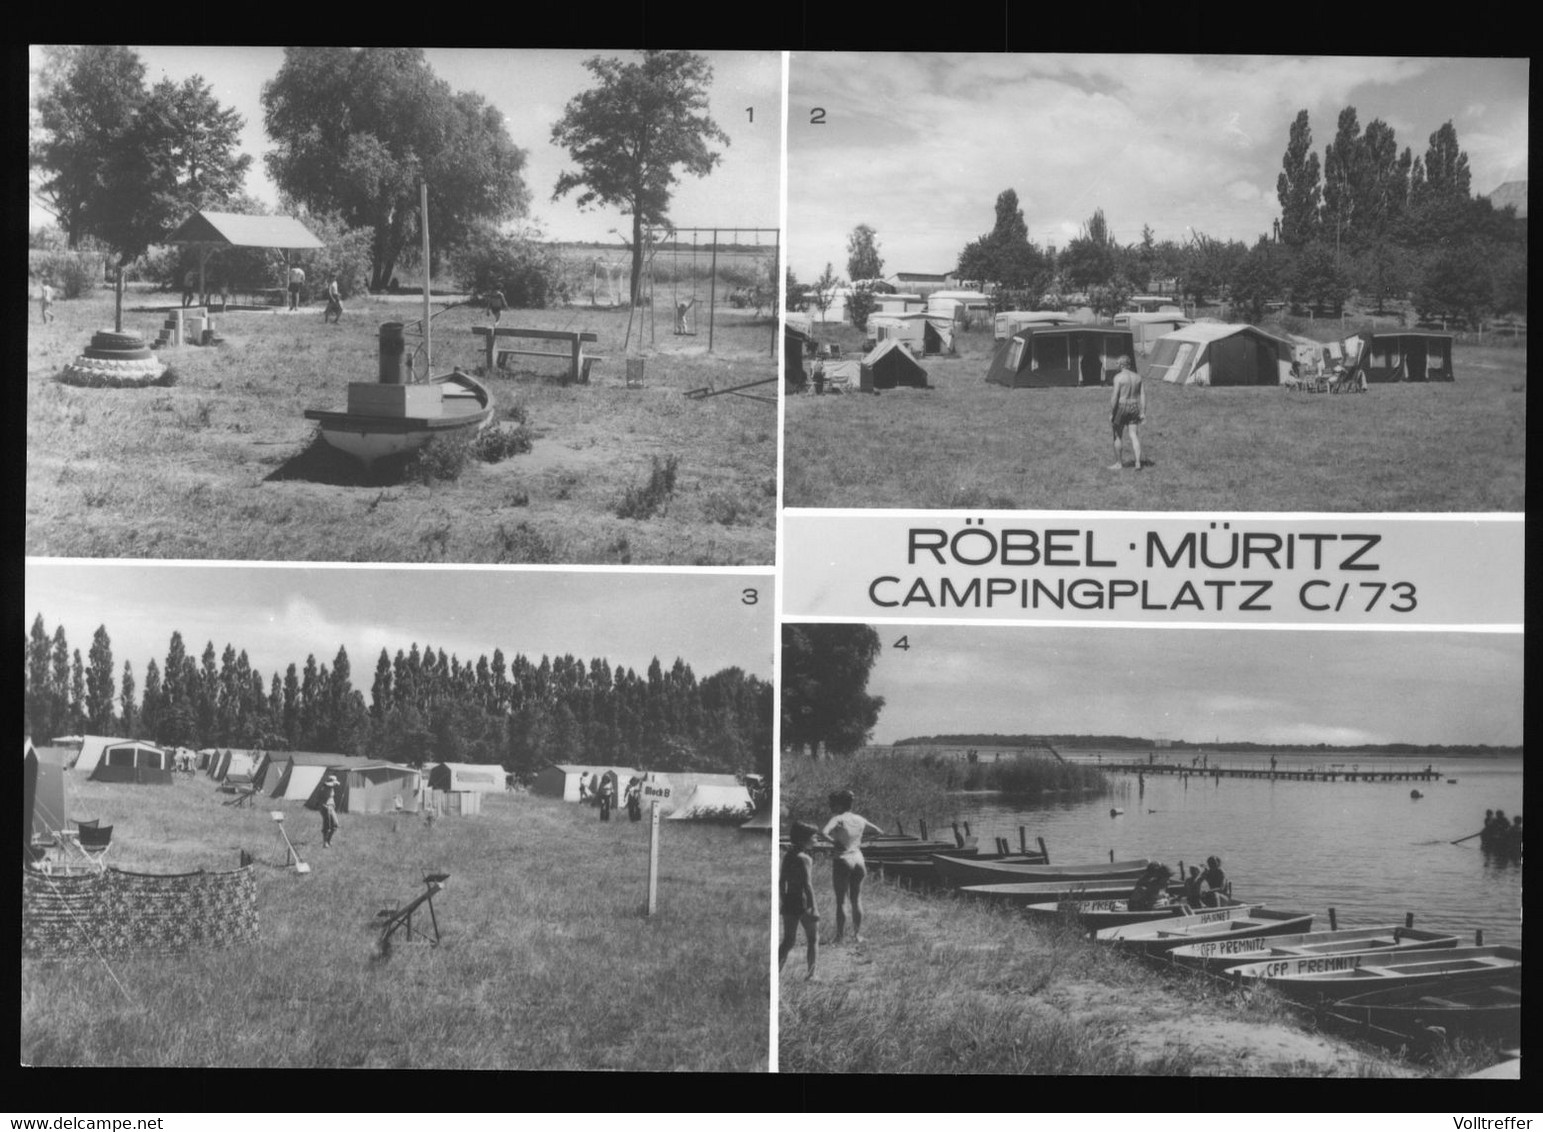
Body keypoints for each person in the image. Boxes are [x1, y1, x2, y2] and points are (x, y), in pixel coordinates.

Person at [821, 790, 884, 944]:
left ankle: (840, 937)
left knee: (841, 901)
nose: (830, 806)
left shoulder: (838, 818)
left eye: (832, 804)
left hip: (843, 859)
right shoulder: (859, 819)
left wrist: (833, 842)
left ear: (840, 804)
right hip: (858, 859)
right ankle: (857, 936)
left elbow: (823, 833)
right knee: (856, 900)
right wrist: (862, 841)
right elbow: (879, 832)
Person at [779, 821, 821, 980]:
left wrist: (784, 900)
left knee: (788, 941)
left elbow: (782, 881)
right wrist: (814, 907)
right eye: (814, 836)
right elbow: (807, 884)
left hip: (790, 899)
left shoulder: (788, 856)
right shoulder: (805, 858)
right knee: (813, 938)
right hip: (803, 901)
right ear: (805, 839)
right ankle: (812, 974)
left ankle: (774, 972)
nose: (816, 838)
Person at [1108, 355, 1145, 470]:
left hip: (1122, 406)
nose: (1117, 366)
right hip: (1134, 406)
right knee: (1133, 434)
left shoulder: (1118, 377)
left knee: (1117, 435)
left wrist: (1112, 413)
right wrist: (1143, 412)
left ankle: (1119, 464)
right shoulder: (1138, 377)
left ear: (1122, 365)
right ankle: (1138, 462)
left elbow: (1115, 397)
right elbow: (1143, 395)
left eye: (1117, 364)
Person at [319, 775, 340, 848]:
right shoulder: (324, 788)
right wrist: (326, 807)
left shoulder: (331, 788)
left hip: (331, 807)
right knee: (327, 826)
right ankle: (325, 843)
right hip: (325, 807)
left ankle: (328, 840)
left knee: (335, 824)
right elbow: (320, 799)